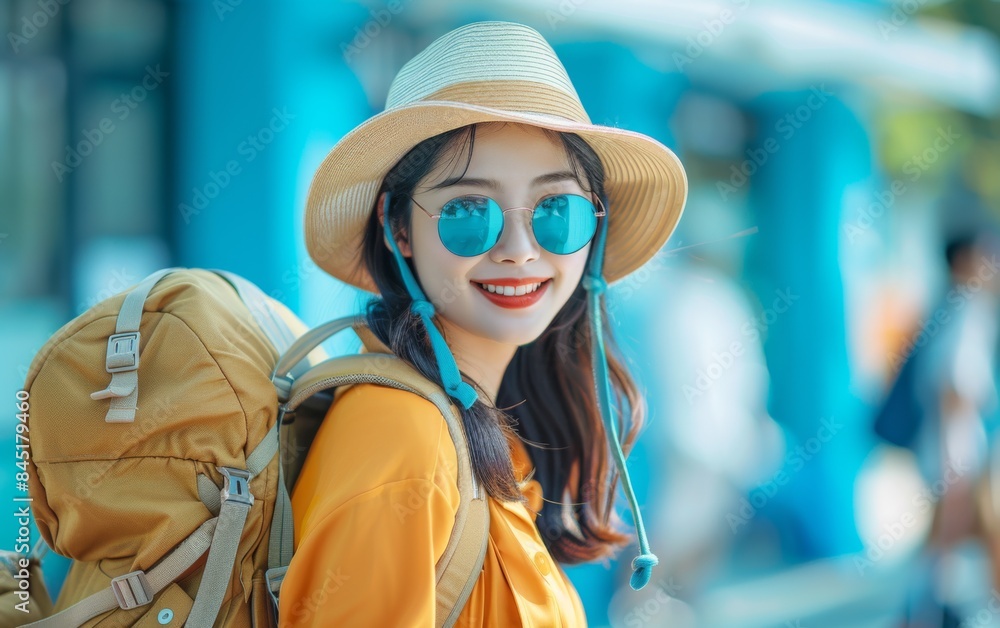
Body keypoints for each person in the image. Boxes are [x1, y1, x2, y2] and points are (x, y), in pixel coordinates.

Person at [277, 21, 687, 626]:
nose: (520, 249)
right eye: (469, 210)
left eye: (557, 210)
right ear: (398, 230)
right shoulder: (403, 437)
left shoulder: (486, 434)